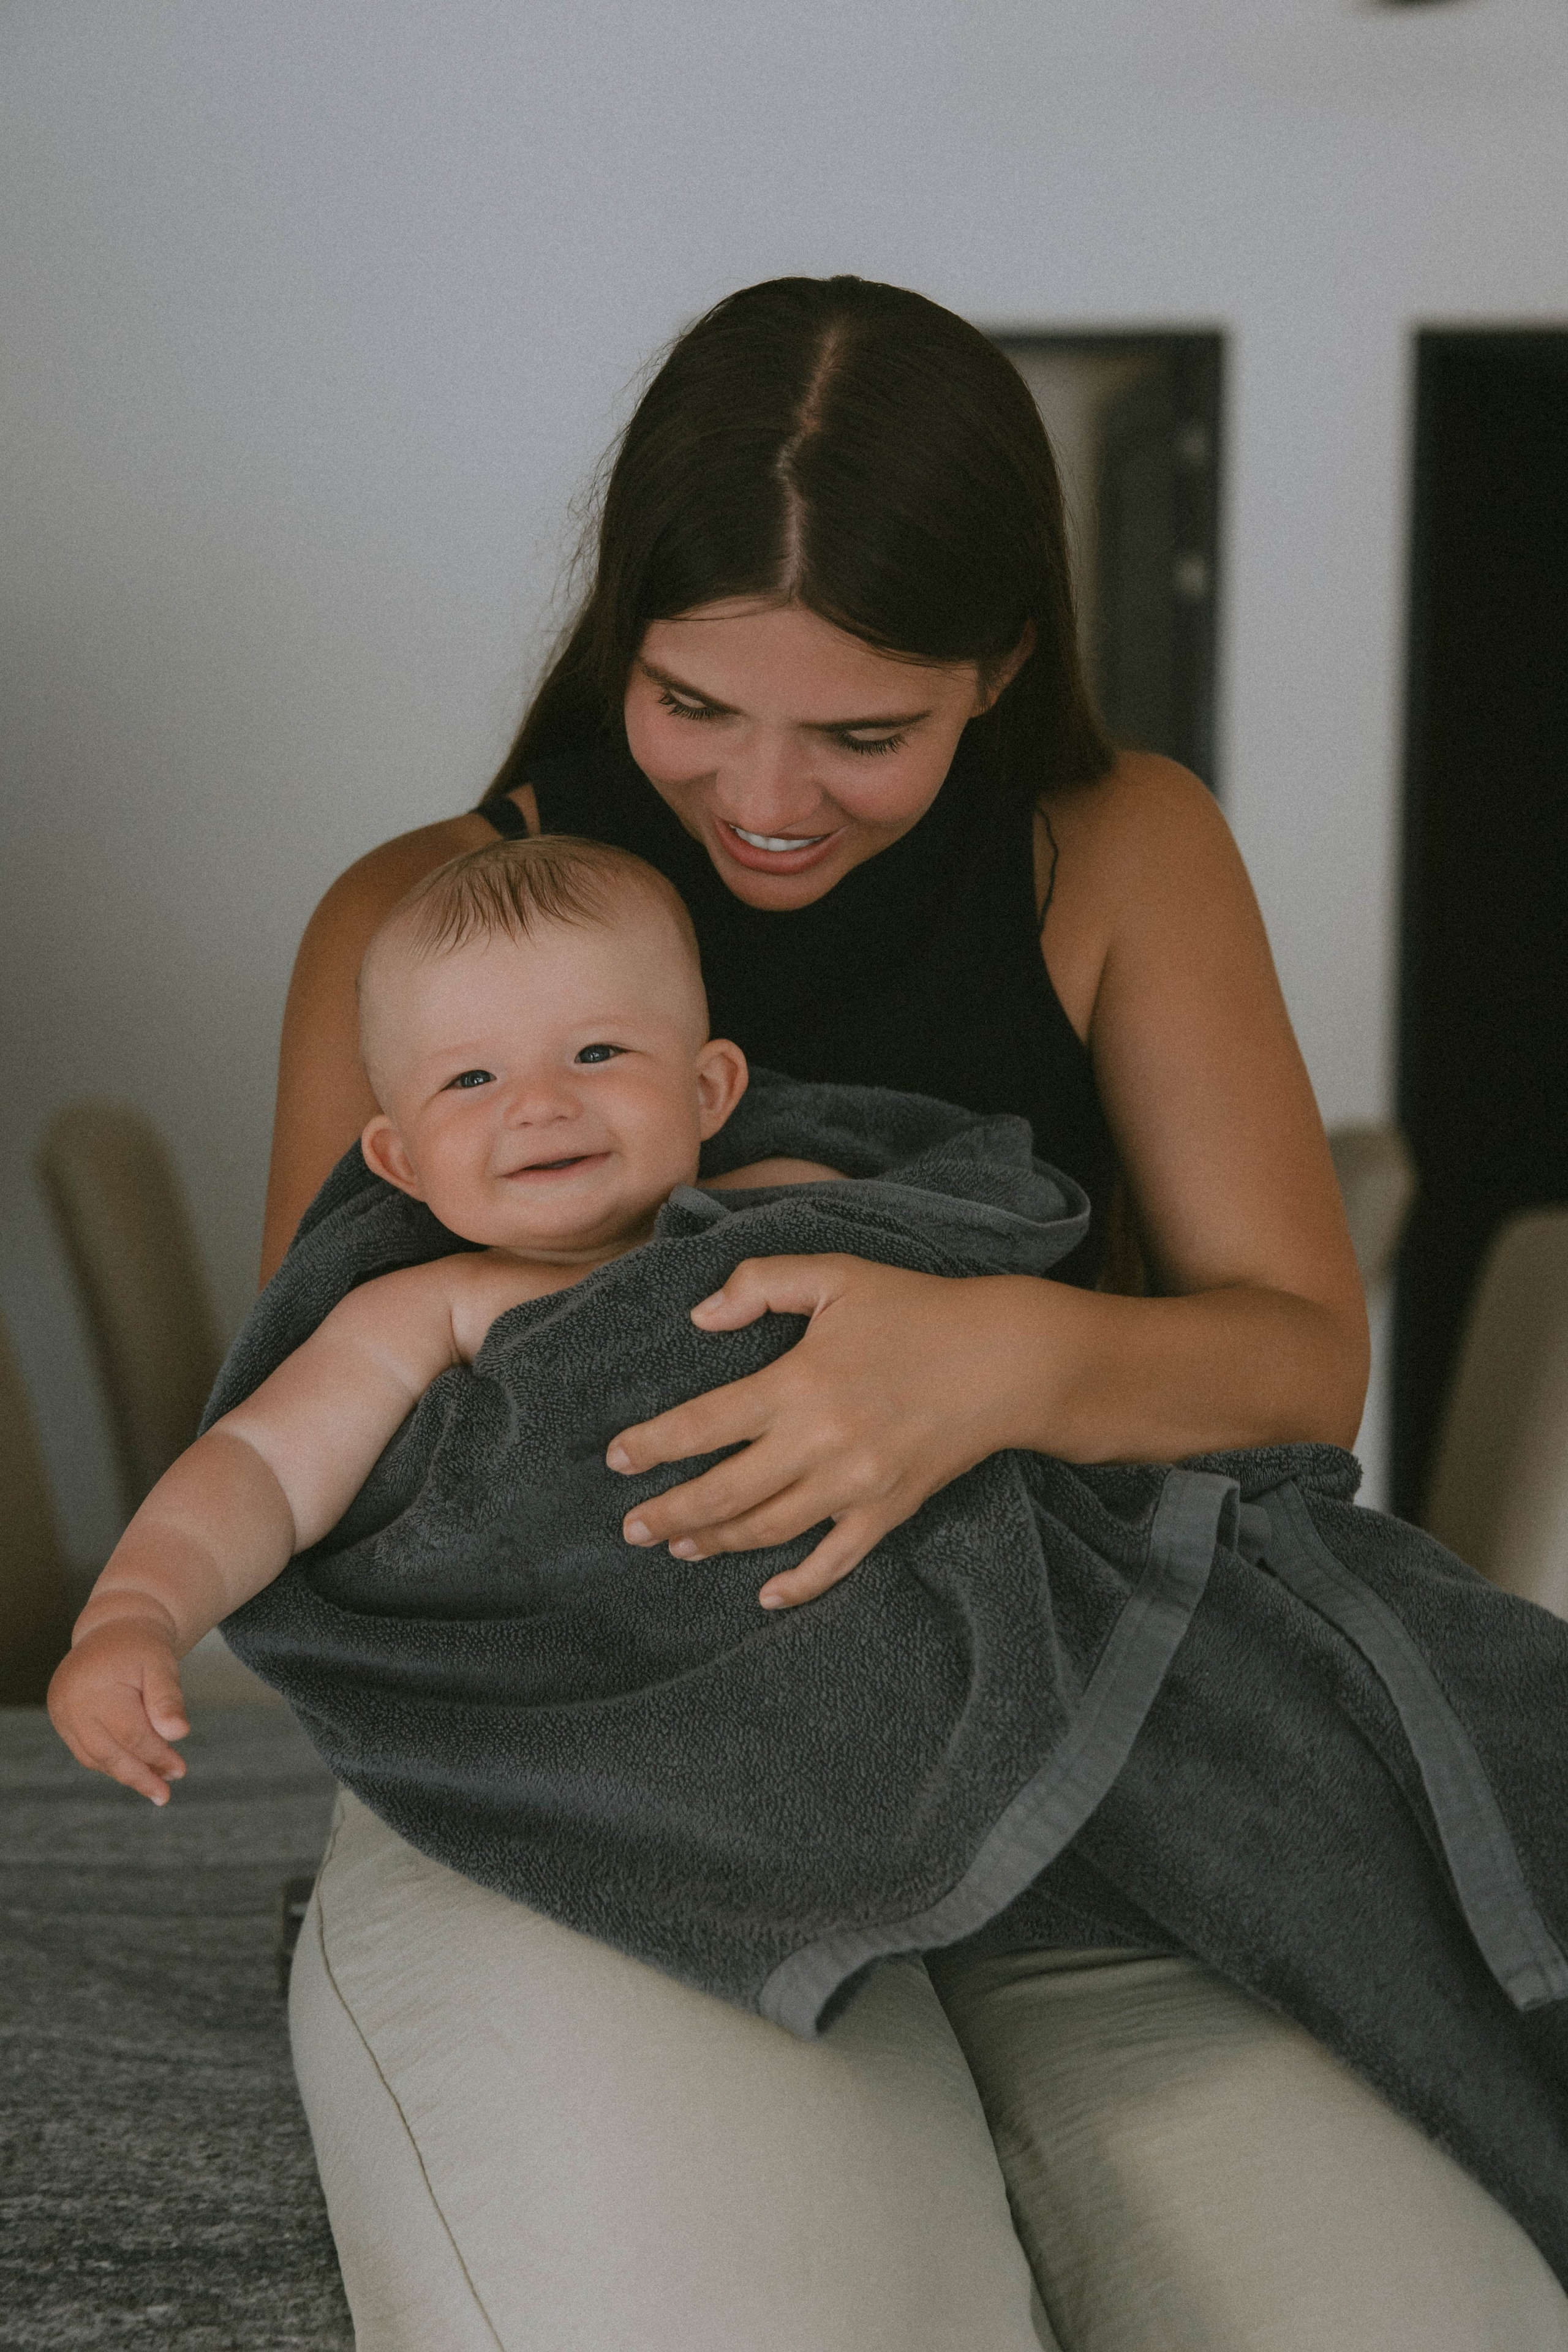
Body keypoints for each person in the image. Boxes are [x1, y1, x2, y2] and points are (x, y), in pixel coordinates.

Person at [258, 277, 1568, 2350]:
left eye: (864, 734)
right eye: (694, 704)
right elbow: (330, 1459)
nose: (766, 799)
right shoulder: (415, 924)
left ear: (1003, 664)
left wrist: (992, 1360)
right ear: (622, 638)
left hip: (1085, 1738)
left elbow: (1300, 1357)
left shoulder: (1117, 851)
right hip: (610, 1766)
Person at [47, 834, 848, 1800]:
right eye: (472, 1080)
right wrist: (134, 1611)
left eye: (597, 1053)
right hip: (580, 1723)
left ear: (708, 1089)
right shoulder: (431, 1309)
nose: (540, 1105)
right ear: (403, 1162)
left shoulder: (802, 1208)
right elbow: (261, 1466)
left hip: (823, 1675)